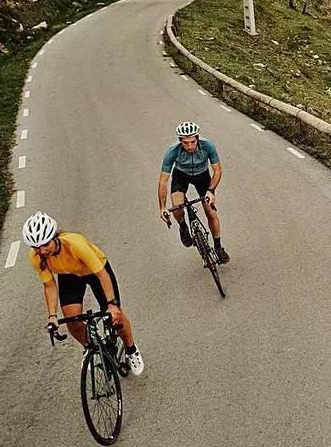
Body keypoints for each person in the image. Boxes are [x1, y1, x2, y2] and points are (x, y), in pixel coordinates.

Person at [23, 211, 144, 375]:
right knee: (72, 321)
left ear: (54, 237)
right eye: (36, 247)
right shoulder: (36, 256)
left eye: (45, 245)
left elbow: (102, 275)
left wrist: (112, 305)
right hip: (69, 276)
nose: (42, 250)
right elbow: (49, 285)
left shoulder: (75, 244)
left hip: (95, 272)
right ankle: (91, 347)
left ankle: (131, 349)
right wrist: (52, 316)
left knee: (116, 317)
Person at [158, 121, 229, 263]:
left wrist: (211, 191)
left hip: (202, 176)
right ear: (180, 141)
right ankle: (183, 227)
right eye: (185, 143)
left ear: (197, 138)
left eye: (192, 142)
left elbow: (217, 170)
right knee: (177, 208)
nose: (189, 146)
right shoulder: (172, 152)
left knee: (211, 212)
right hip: (181, 176)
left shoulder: (208, 146)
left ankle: (218, 247)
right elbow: (163, 181)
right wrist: (163, 208)